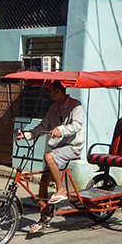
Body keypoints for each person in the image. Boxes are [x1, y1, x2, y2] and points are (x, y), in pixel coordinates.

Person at [16, 81, 84, 232]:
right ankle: (43, 218)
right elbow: (43, 126)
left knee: (48, 156)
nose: (49, 94)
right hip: (59, 148)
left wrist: (61, 129)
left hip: (73, 147)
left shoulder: (75, 106)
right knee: (43, 181)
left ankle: (60, 190)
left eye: (51, 91)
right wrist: (27, 134)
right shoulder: (53, 108)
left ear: (59, 91)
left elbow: (77, 125)